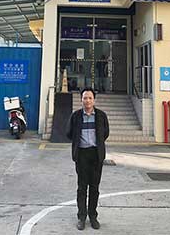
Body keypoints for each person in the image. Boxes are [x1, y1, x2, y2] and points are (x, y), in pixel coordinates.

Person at [65, 87, 110, 230]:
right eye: (85, 98)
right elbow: (69, 133)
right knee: (82, 187)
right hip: (82, 155)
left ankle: (93, 216)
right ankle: (82, 217)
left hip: (96, 155)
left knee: (94, 187)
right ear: (81, 100)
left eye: (90, 98)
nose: (87, 100)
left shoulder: (101, 116)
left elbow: (105, 133)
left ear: (94, 100)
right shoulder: (76, 116)